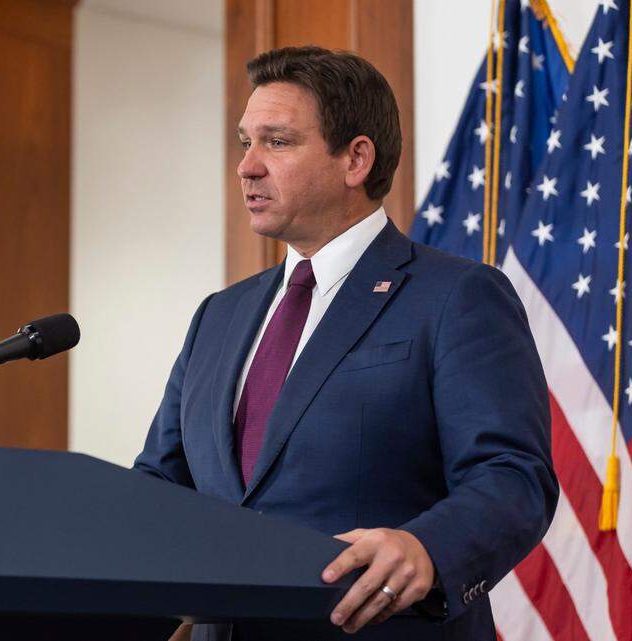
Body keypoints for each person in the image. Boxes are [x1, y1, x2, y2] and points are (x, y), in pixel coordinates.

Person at [133, 46, 557, 641]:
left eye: (276, 142)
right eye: (244, 142)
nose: (247, 166)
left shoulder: (456, 296)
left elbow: (513, 476)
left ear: (356, 159)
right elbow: (159, 486)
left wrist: (424, 546)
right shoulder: (218, 317)